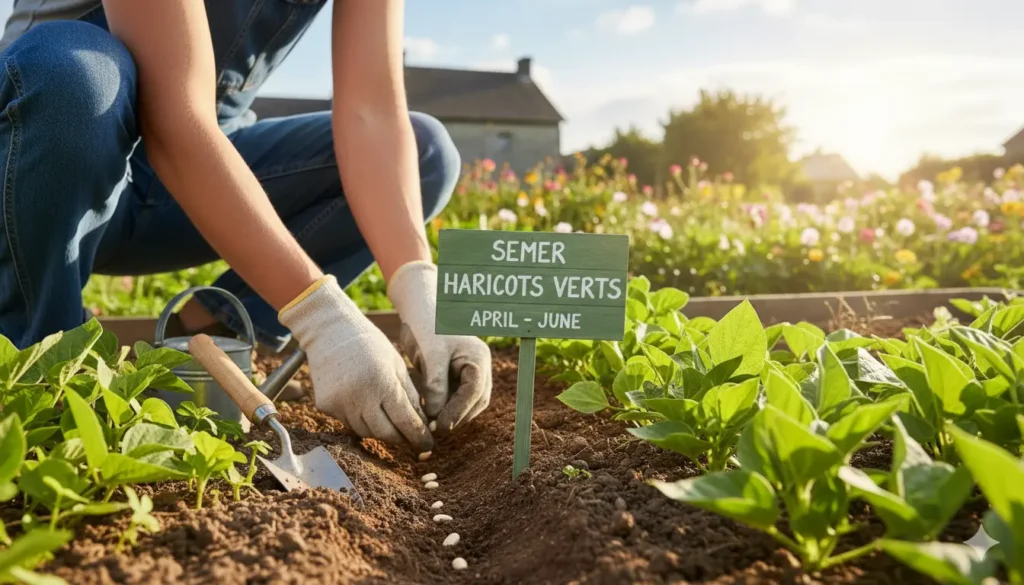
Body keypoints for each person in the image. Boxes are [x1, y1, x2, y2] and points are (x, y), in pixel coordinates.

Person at [0, 0, 492, 455]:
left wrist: (419, 288)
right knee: (78, 80)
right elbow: (176, 118)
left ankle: (206, 341)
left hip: (187, 183)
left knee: (426, 154)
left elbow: (371, 115)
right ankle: (39, 376)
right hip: (42, 173)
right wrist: (321, 317)